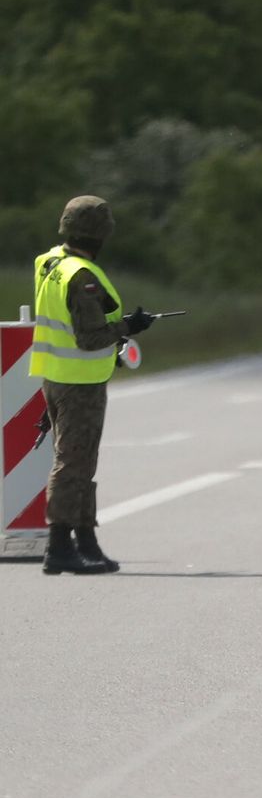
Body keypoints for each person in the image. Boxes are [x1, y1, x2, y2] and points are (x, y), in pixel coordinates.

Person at [30, 196, 154, 575]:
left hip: (57, 376)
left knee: (81, 461)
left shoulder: (50, 262)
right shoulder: (81, 276)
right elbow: (89, 337)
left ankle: (85, 541)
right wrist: (129, 327)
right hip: (79, 381)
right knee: (72, 464)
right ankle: (59, 547)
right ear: (100, 235)